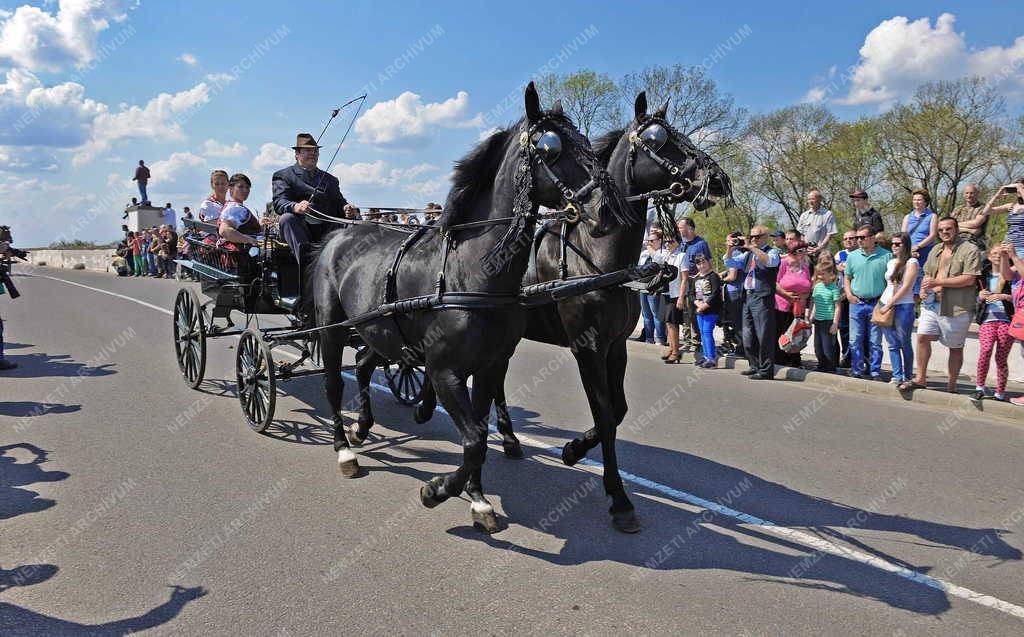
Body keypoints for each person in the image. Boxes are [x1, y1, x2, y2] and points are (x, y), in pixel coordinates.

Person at [900, 217, 982, 394]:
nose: (944, 232)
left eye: (948, 229)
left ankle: (951, 387)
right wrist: (923, 290)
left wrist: (939, 282)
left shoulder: (970, 250)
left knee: (955, 347)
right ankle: (921, 379)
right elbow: (928, 275)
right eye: (941, 230)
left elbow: (970, 278)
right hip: (931, 304)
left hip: (956, 307)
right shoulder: (936, 250)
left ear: (957, 229)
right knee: (922, 337)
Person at [272, 132, 352, 264]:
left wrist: (347, 208)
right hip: (301, 229)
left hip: (328, 230)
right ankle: (307, 266)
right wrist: (295, 206)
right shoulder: (284, 175)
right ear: (297, 154)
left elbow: (340, 203)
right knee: (287, 218)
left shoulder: (331, 180)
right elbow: (280, 202)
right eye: (307, 150)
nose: (312, 154)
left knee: (355, 224)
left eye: (315, 151)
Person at [844, 224, 892, 380]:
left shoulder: (887, 256)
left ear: (872, 238)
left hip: (877, 304)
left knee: (875, 340)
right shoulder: (853, 256)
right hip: (856, 303)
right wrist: (849, 294)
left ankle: (875, 371)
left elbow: (893, 281)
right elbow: (847, 277)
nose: (859, 240)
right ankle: (857, 369)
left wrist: (885, 301)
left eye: (862, 237)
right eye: (857, 237)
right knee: (855, 339)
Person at [970, 243, 1017, 402]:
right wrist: (980, 296)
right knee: (985, 350)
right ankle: (979, 387)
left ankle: (1000, 392)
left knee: (1001, 357)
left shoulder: (1012, 275)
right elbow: (976, 297)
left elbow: (1018, 299)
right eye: (995, 253)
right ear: (989, 256)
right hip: (988, 319)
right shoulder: (982, 276)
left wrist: (1004, 296)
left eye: (1001, 253)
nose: (997, 256)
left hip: (1006, 320)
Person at [740, 225, 781, 380]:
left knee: (764, 335)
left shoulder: (773, 252)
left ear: (765, 236)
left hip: (762, 297)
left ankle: (766, 370)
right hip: (748, 296)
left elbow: (770, 262)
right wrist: (730, 247)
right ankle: (754, 365)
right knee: (748, 335)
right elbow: (731, 263)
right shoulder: (749, 254)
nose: (753, 239)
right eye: (752, 237)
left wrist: (752, 248)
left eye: (757, 236)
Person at [877, 232, 919, 385]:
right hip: (885, 303)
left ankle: (907, 376)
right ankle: (896, 375)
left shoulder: (912, 262)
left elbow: (907, 286)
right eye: (892, 244)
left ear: (905, 245)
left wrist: (890, 304)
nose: (893, 247)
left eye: (897, 244)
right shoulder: (891, 262)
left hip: (903, 306)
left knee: (904, 341)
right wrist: (883, 303)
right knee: (892, 343)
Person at [774, 240, 812, 368]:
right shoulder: (783, 264)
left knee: (796, 335)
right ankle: (779, 360)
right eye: (800, 251)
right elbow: (775, 283)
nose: (804, 253)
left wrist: (804, 296)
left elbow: (808, 286)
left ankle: (795, 360)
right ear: (793, 252)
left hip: (798, 307)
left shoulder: (805, 267)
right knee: (782, 333)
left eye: (805, 250)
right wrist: (787, 295)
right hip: (782, 305)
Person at [677, 217, 711, 351]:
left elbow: (707, 265)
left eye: (681, 227)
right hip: (682, 281)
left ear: (689, 228)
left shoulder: (701, 244)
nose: (679, 230)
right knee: (684, 312)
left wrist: (695, 278)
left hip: (695, 282)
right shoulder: (682, 244)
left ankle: (697, 342)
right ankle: (687, 340)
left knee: (694, 312)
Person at [807, 251, 842, 373]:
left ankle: (831, 368)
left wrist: (835, 323)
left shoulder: (834, 288)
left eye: (823, 274)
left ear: (831, 274)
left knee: (828, 347)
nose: (821, 277)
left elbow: (838, 307)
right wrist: (811, 317)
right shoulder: (817, 286)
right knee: (818, 347)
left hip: (829, 321)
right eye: (819, 274)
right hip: (818, 320)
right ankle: (821, 365)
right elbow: (815, 303)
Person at [901, 189, 938, 297]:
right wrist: (909, 249)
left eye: (919, 200)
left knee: (922, 281)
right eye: (914, 200)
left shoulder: (932, 216)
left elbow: (932, 235)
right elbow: (903, 236)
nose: (916, 202)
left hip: (924, 251)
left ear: (926, 201)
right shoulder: (907, 217)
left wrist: (918, 246)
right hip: (909, 252)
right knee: (908, 281)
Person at [658, 235, 689, 364]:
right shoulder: (665, 256)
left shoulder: (681, 256)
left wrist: (681, 297)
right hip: (665, 292)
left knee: (672, 323)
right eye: (665, 241)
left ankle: (676, 352)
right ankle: (672, 349)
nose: (667, 244)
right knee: (667, 322)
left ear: (678, 242)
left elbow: (684, 279)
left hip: (675, 294)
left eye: (670, 241)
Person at [638, 228, 667, 346]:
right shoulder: (644, 253)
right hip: (643, 287)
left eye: (652, 240)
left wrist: (649, 247)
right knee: (646, 315)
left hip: (655, 288)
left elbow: (659, 260)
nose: (649, 242)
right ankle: (649, 338)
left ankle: (660, 338)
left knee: (657, 314)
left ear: (660, 241)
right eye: (648, 240)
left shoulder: (663, 252)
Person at [980, 179, 1024, 259]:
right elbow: (986, 211)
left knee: (1018, 270)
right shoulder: (1011, 206)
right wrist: (997, 195)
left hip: (1022, 248)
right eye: (1016, 188)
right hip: (1008, 245)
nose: (1018, 190)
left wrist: (1020, 188)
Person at [692, 254, 722, 368]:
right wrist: (696, 303)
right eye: (699, 263)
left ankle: (711, 358)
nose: (701, 265)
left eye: (703, 262)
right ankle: (705, 356)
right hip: (700, 309)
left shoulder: (713, 276)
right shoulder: (697, 278)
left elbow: (715, 294)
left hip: (711, 309)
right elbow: (691, 293)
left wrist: (705, 305)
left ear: (708, 262)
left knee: (707, 331)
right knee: (702, 332)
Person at [721, 231, 747, 356]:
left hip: (734, 292)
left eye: (729, 241)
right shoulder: (742, 253)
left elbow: (732, 276)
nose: (727, 243)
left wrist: (720, 279)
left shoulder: (735, 253)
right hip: (741, 291)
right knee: (741, 321)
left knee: (738, 322)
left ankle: (741, 349)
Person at [219, 174, 264, 245]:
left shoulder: (232, 205)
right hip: (243, 253)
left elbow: (241, 228)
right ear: (230, 188)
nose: (245, 190)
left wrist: (259, 225)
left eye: (248, 187)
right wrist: (248, 240)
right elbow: (224, 230)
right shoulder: (236, 208)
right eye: (241, 187)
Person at [835, 230, 856, 367]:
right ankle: (846, 356)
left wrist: (845, 267)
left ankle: (860, 358)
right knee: (844, 328)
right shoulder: (840, 254)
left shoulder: (860, 253)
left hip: (856, 295)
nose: (848, 240)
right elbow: (836, 267)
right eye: (845, 238)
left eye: (851, 238)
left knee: (857, 329)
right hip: (843, 295)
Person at [797, 190, 837, 258]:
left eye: (813, 199)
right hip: (807, 253)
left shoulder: (828, 214)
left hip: (823, 254)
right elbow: (801, 234)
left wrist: (819, 248)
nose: (810, 201)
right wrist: (805, 246)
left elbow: (830, 234)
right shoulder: (804, 215)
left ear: (819, 200)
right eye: (809, 199)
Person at [952, 183, 989, 250]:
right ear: (963, 194)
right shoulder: (958, 209)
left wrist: (955, 226)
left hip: (975, 244)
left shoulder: (983, 208)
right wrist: (969, 229)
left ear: (977, 193)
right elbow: (950, 226)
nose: (969, 195)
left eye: (972, 193)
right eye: (967, 193)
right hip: (956, 242)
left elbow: (975, 224)